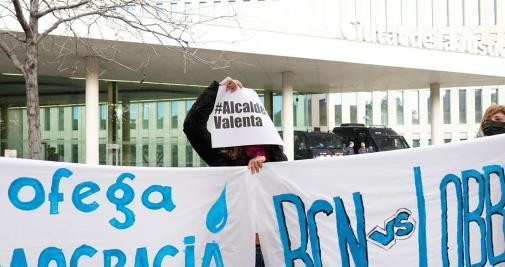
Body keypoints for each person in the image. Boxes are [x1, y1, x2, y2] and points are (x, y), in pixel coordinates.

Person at [183, 77, 287, 267]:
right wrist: (218, 89)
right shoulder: (222, 154)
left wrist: (267, 168)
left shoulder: (275, 154)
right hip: (233, 249)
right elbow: (192, 126)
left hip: (273, 249)